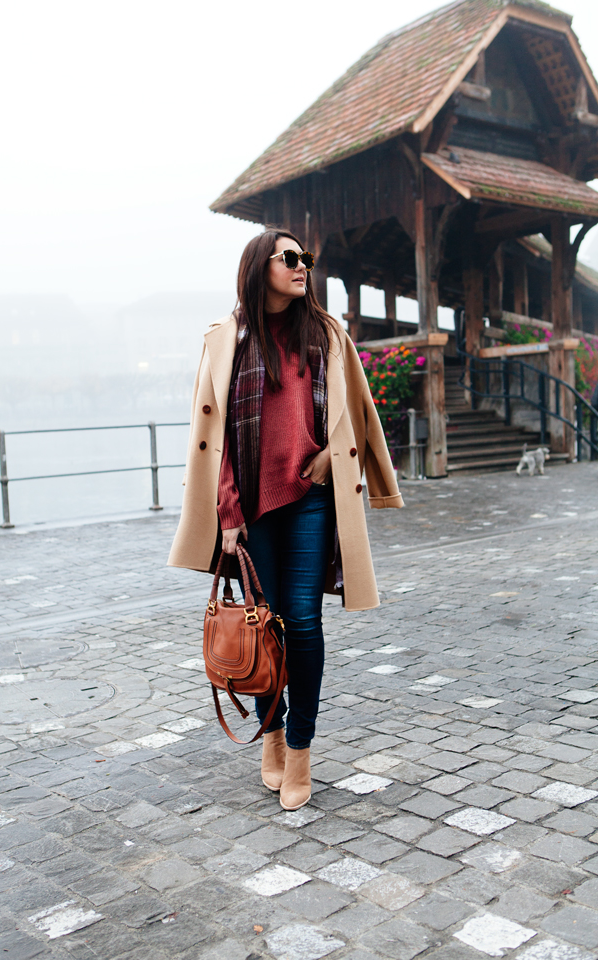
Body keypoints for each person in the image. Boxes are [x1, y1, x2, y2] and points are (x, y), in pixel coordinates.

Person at [168, 228, 403, 810]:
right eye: (291, 258)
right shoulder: (226, 340)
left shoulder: (325, 334)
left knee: (301, 621)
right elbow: (215, 437)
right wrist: (227, 513)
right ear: (259, 268)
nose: (304, 267)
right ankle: (270, 736)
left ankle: (299, 748)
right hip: (249, 508)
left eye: (308, 259)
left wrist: (327, 460)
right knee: (264, 623)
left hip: (310, 501)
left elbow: (354, 413)